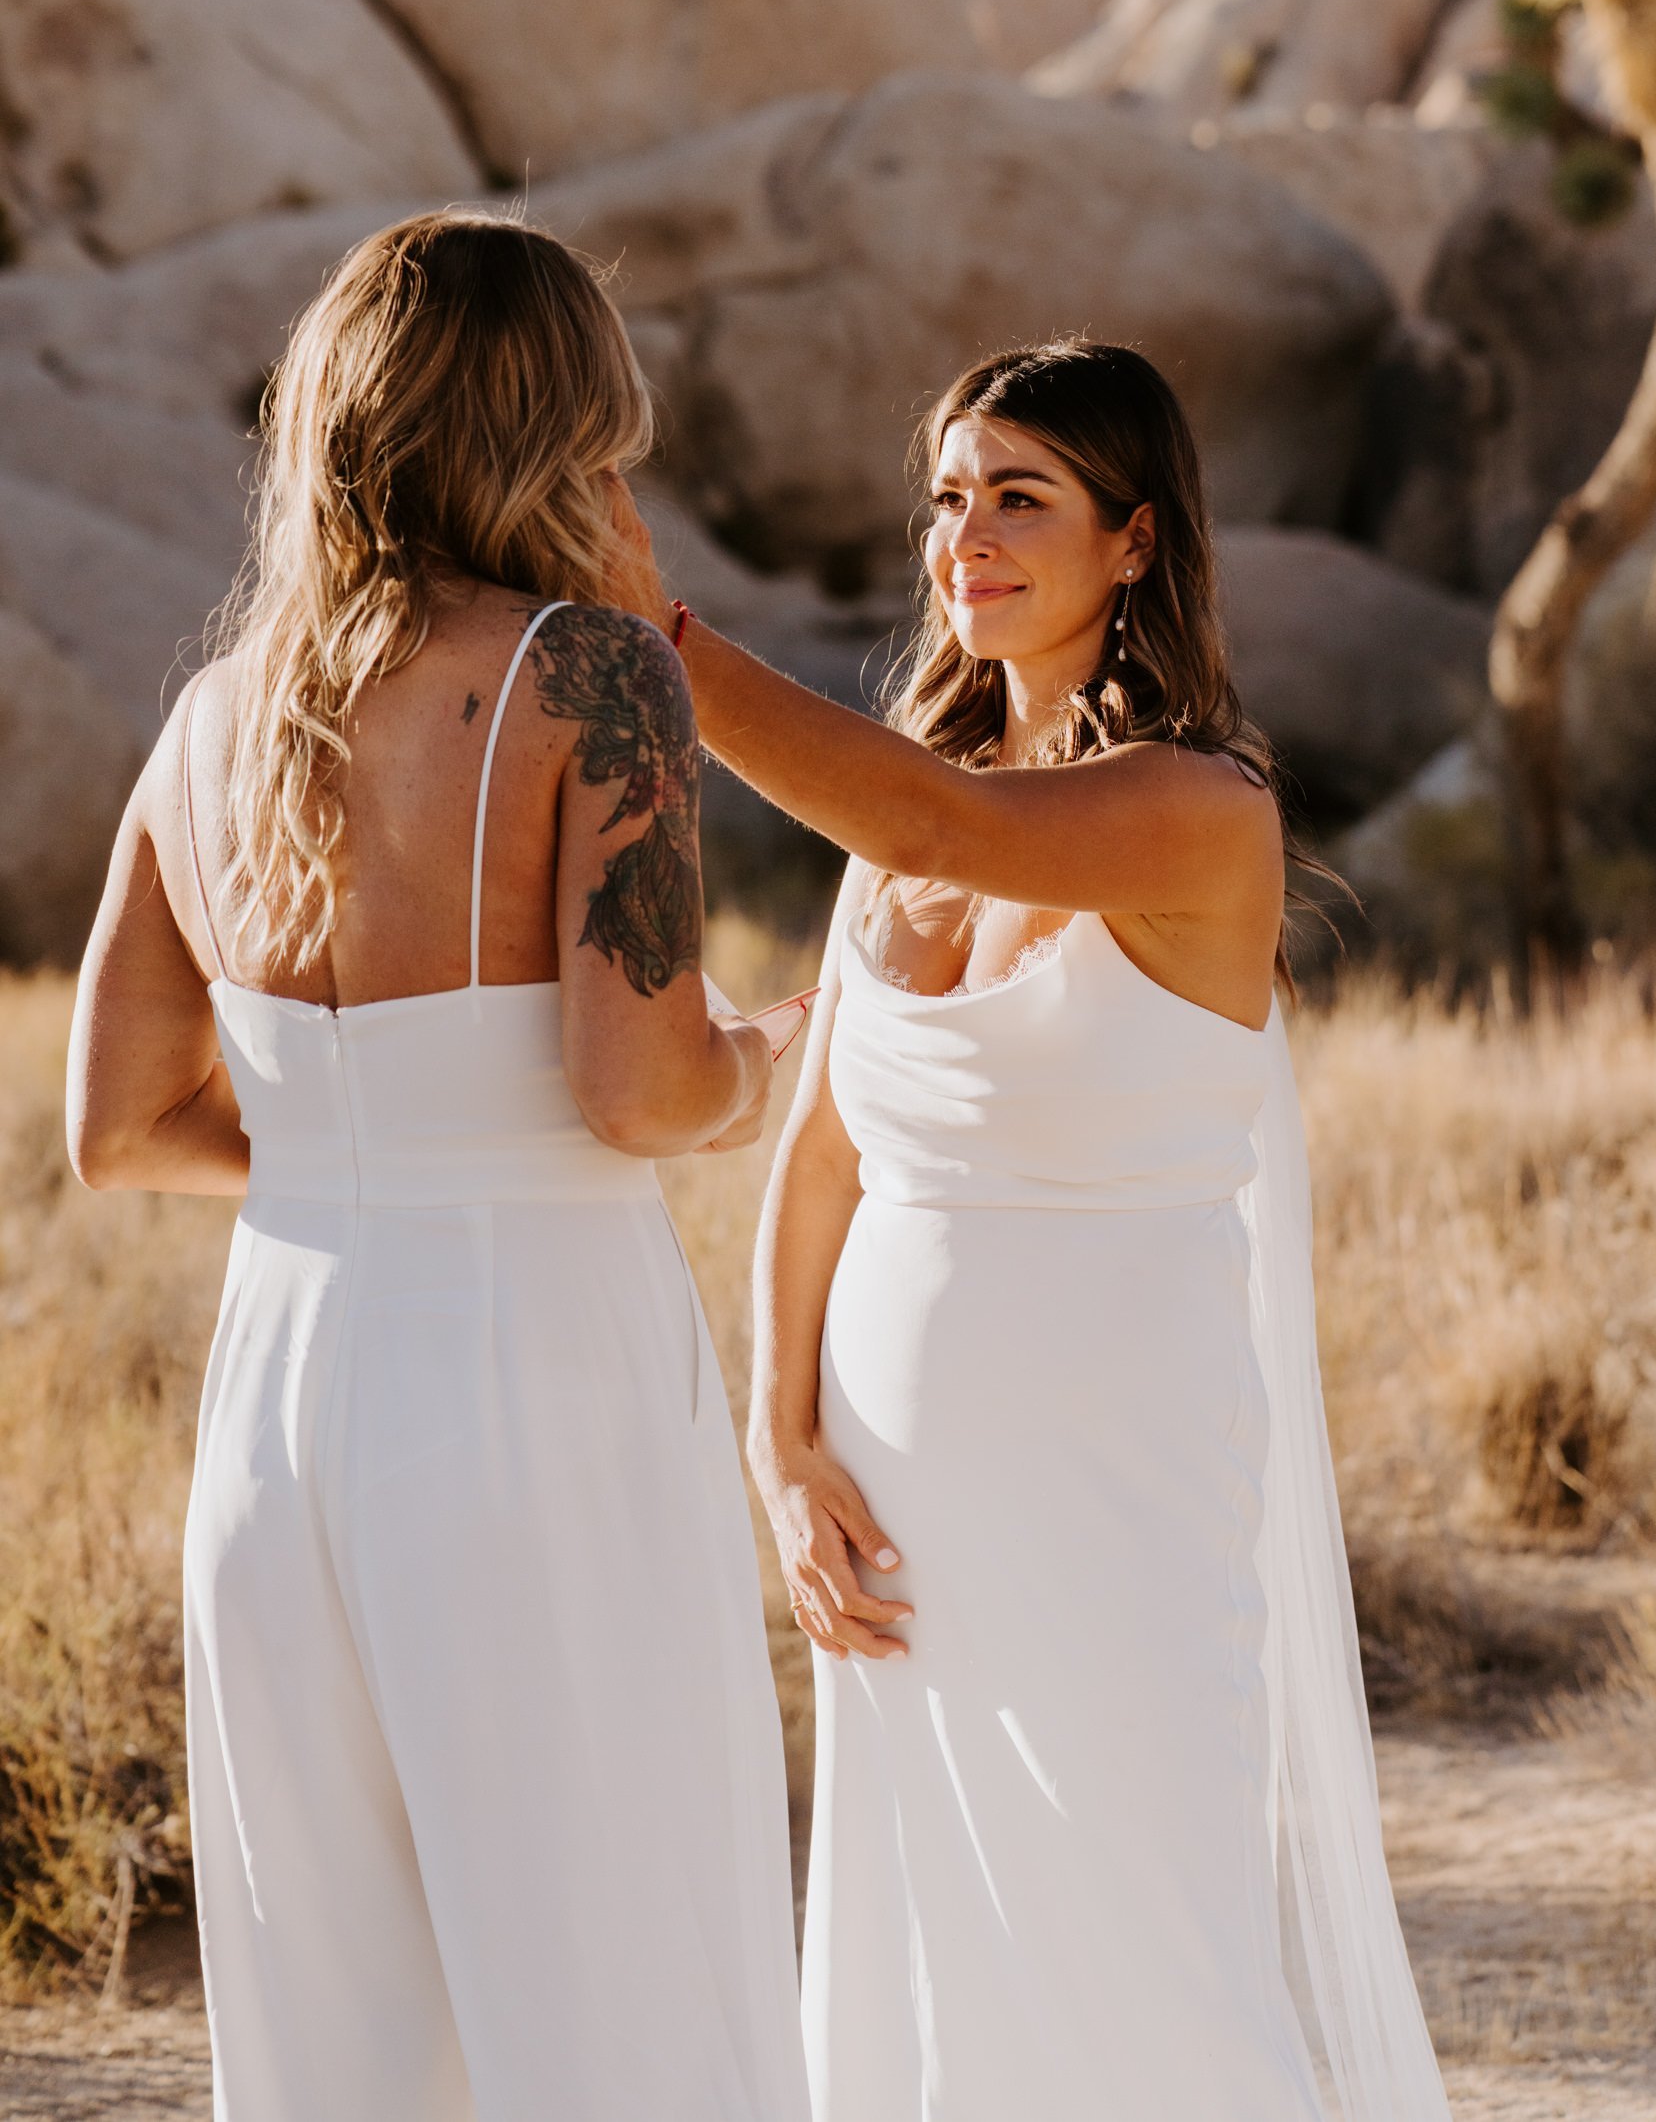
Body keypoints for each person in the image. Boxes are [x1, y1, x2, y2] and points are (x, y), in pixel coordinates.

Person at [606, 338, 1452, 2122]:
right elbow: (824, 1149)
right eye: (945, 498)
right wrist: (779, 1437)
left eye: (1019, 497)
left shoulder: (1202, 811)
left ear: (1136, 542)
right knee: (932, 1944)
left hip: (1114, 1486)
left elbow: (955, 823)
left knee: (1139, 1934)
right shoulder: (899, 796)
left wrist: (661, 642)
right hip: (898, 1509)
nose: (964, 537)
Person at [66, 212, 810, 2122]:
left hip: (281, 1379)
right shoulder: (597, 680)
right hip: (531, 1363)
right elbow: (641, 1095)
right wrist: (767, 1062)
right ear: (558, 426)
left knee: (334, 1982)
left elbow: (123, 1125)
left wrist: (359, 1168)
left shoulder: (212, 717)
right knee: (608, 1932)